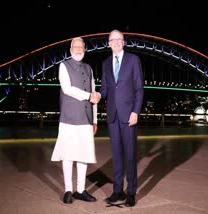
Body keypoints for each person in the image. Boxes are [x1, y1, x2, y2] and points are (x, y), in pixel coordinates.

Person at [51, 37, 100, 204]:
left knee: (83, 155)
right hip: (69, 118)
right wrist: (88, 96)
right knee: (68, 155)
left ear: (85, 49)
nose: (78, 49)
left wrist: (94, 119)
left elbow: (93, 94)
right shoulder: (63, 66)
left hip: (86, 119)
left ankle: (80, 190)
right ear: (70, 50)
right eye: (75, 47)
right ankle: (68, 190)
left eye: (81, 47)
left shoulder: (89, 68)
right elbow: (67, 89)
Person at [97, 29, 144, 207]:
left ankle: (131, 192)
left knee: (130, 155)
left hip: (128, 115)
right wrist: (99, 96)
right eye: (112, 40)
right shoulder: (106, 63)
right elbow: (105, 88)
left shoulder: (133, 60)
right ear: (108, 43)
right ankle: (118, 191)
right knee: (116, 155)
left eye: (119, 39)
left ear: (123, 42)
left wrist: (135, 111)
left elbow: (139, 88)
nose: (116, 42)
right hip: (112, 115)